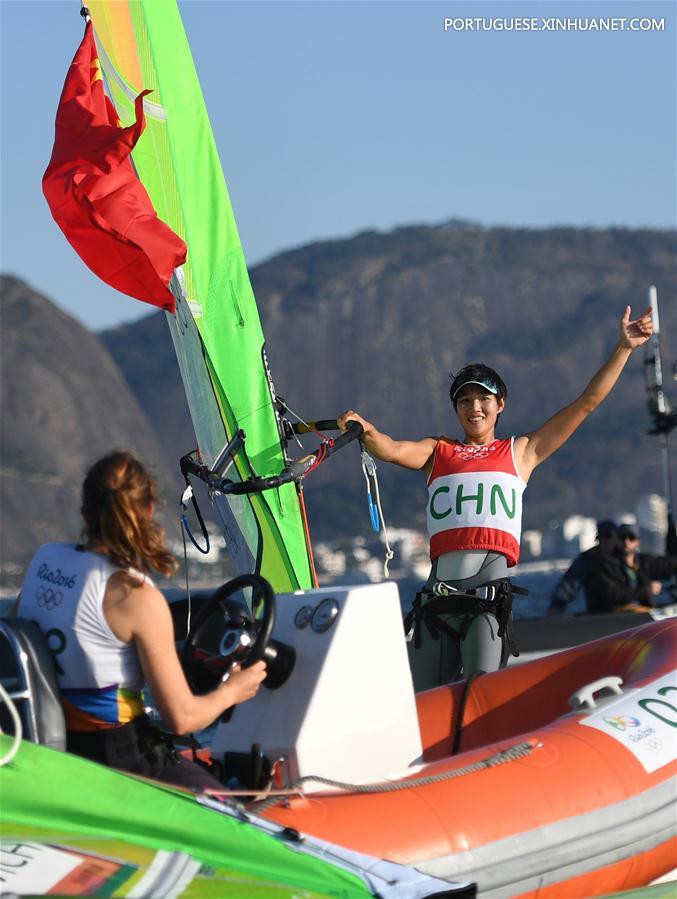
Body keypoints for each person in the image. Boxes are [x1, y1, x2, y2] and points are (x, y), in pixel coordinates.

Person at [338, 306, 653, 680]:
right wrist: (366, 429)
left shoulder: (521, 452)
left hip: (487, 607)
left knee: (480, 696)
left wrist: (623, 348)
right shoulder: (437, 452)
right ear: (456, 409)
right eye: (464, 401)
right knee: (424, 708)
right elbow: (389, 448)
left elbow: (585, 404)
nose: (474, 408)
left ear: (499, 404)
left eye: (483, 399)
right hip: (436, 604)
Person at [15, 451, 266, 789]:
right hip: (122, 760)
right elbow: (182, 718)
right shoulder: (137, 597)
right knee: (237, 822)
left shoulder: (45, 562)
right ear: (149, 511)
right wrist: (234, 690)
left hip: (59, 750)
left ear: (86, 510)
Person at [585, 523, 677, 613]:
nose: (626, 542)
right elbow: (613, 595)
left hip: (643, 615)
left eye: (631, 538)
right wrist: (645, 591)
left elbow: (667, 564)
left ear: (638, 542)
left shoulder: (644, 562)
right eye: (622, 538)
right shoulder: (605, 565)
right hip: (617, 618)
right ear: (617, 540)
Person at [548, 521, 621, 614]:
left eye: (608, 536)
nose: (604, 541)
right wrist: (556, 607)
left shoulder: (629, 557)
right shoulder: (588, 560)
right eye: (600, 537)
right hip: (601, 615)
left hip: (632, 612)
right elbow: (567, 587)